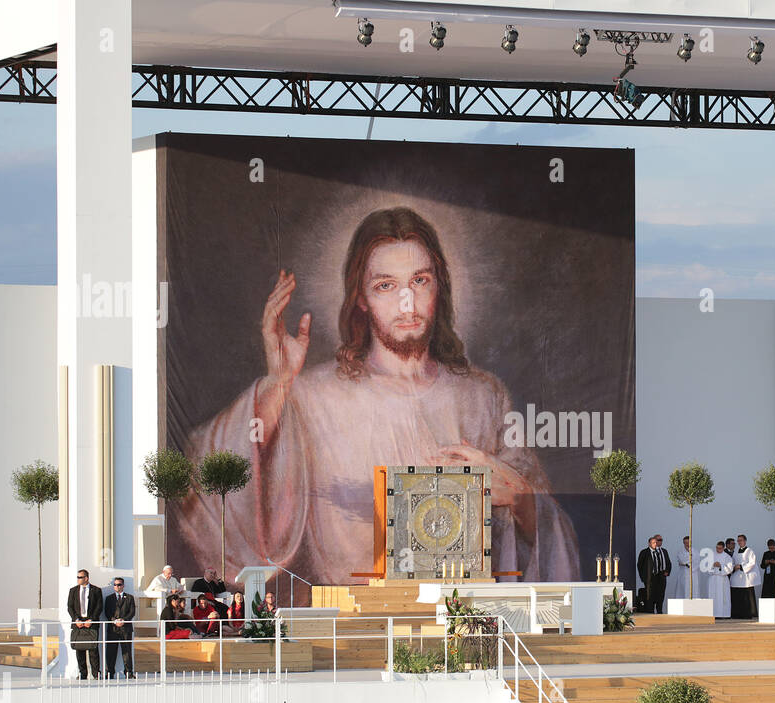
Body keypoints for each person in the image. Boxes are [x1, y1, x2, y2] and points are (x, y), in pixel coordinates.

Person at [175, 208, 580, 584]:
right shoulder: (313, 396)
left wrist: (519, 497)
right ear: (362, 300)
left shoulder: (483, 396)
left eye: (419, 281)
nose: (408, 303)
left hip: (464, 617)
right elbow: (208, 484)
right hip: (355, 622)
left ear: (439, 286)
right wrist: (278, 384)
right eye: (386, 286)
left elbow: (547, 529)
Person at [65, 569, 103, 679]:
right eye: (77, 577)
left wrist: (91, 620)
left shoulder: (96, 590)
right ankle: (83, 674)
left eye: (80, 577)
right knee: (79, 649)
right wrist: (76, 620)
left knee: (93, 650)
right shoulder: (73, 590)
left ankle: (96, 674)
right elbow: (70, 607)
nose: (78, 579)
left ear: (86, 578)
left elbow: (99, 606)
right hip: (78, 624)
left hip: (91, 623)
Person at [103, 577, 137, 679]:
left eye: (119, 584)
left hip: (126, 628)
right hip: (113, 629)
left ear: (123, 585)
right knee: (111, 651)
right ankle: (110, 673)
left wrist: (124, 620)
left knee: (127, 651)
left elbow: (132, 612)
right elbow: (107, 612)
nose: (117, 587)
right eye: (115, 585)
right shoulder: (109, 598)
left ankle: (129, 672)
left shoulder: (130, 597)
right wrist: (114, 620)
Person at [636, 535, 670, 614]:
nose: (656, 544)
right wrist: (644, 578)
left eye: (656, 542)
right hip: (650, 578)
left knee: (660, 595)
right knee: (650, 596)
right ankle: (650, 612)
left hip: (660, 577)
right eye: (654, 543)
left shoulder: (660, 552)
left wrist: (666, 572)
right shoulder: (644, 552)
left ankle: (659, 611)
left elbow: (667, 563)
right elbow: (640, 565)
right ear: (649, 544)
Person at [729, 535, 759, 620]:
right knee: (737, 595)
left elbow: (752, 563)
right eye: (738, 541)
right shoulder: (735, 552)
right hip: (737, 577)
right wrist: (734, 567)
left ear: (745, 541)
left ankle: (747, 614)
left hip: (746, 576)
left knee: (746, 596)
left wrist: (741, 566)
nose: (739, 542)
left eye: (741, 540)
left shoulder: (749, 551)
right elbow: (733, 561)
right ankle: (737, 614)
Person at [704, 543, 733, 618]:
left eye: (720, 548)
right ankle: (713, 613)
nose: (718, 550)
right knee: (712, 595)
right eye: (717, 548)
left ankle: (723, 614)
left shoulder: (727, 556)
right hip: (713, 579)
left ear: (723, 548)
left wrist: (720, 566)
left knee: (723, 597)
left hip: (722, 579)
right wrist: (713, 565)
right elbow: (706, 567)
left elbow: (730, 568)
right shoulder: (711, 555)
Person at [667, 536, 694, 602]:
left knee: (692, 591)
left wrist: (687, 563)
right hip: (683, 574)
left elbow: (696, 561)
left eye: (688, 542)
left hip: (693, 575)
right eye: (685, 543)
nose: (687, 544)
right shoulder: (680, 551)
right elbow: (682, 561)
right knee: (682, 591)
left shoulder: (695, 551)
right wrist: (687, 562)